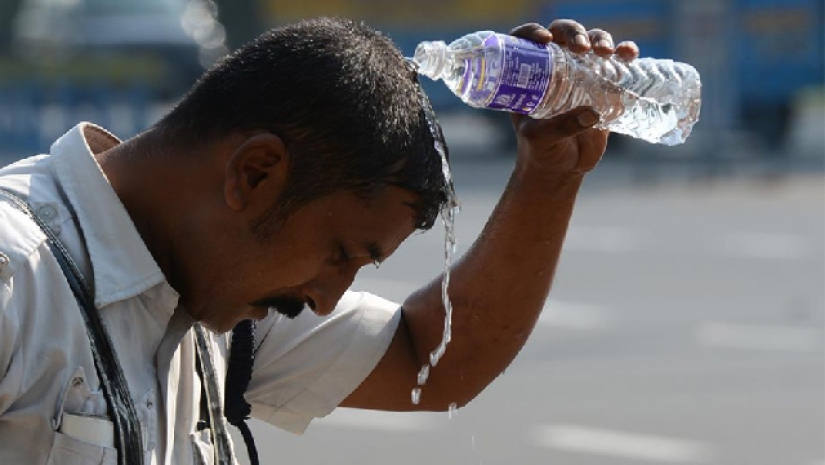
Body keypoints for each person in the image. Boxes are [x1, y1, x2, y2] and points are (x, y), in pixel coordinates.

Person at [0, 16, 639, 465]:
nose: (329, 298)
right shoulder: (18, 280)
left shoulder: (212, 296)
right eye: (340, 255)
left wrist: (550, 176)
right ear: (254, 173)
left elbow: (434, 359)